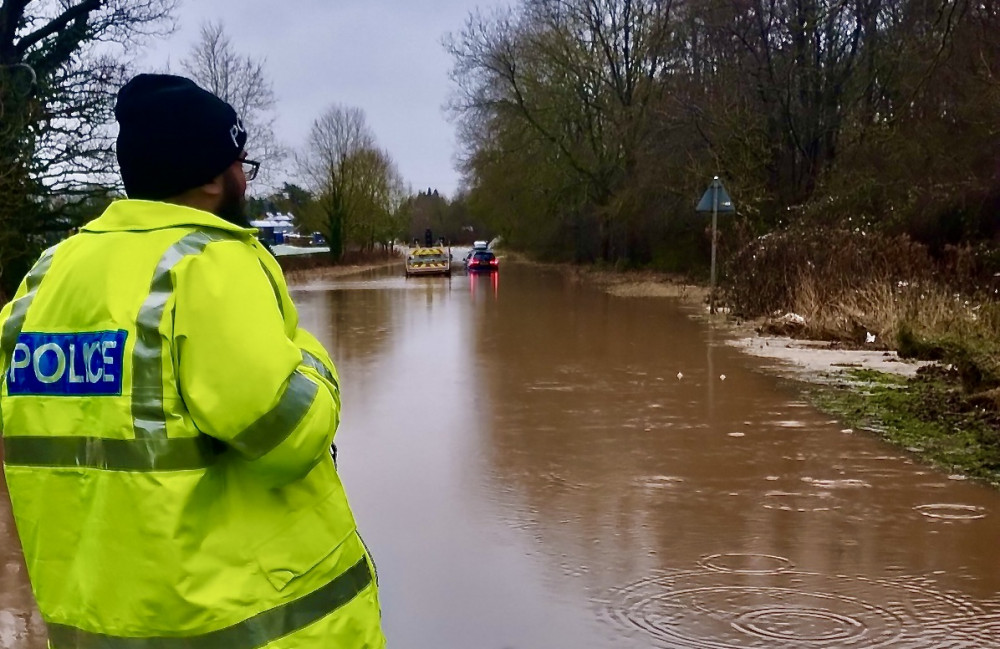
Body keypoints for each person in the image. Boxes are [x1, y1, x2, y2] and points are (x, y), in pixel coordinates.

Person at [0, 74, 385, 648]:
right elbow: (288, 434)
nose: (245, 181)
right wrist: (310, 354)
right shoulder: (207, 262)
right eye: (241, 164)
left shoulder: (46, 276)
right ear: (211, 177)